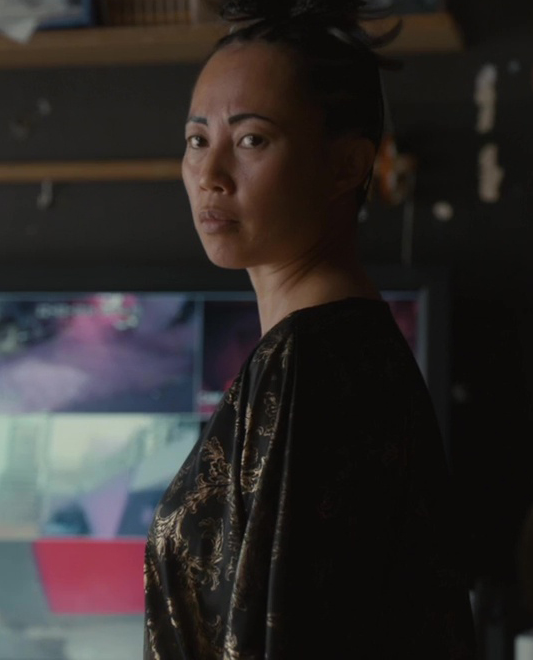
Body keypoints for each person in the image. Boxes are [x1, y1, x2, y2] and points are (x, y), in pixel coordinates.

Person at [143, 1, 477, 657]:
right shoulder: (333, 351)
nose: (210, 176)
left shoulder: (312, 367)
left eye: (251, 140)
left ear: (347, 165)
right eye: (197, 140)